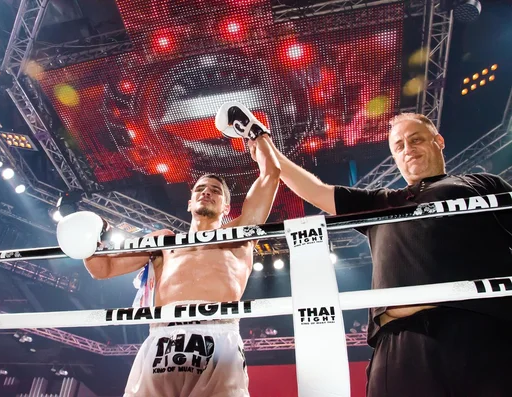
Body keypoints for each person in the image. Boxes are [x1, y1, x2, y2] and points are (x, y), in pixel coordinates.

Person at [243, 106, 512, 397]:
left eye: (416, 139)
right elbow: (314, 190)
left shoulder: (480, 184)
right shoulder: (383, 203)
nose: (408, 149)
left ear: (439, 141)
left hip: (480, 330)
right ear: (394, 155)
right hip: (398, 345)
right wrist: (262, 140)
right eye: (399, 145)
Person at [56, 102, 281, 397]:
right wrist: (88, 237)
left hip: (218, 336)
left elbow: (271, 175)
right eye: (200, 188)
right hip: (163, 336)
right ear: (189, 203)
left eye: (215, 190)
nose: (207, 192)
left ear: (227, 207)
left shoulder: (238, 236)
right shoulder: (164, 242)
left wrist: (256, 135)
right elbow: (103, 268)